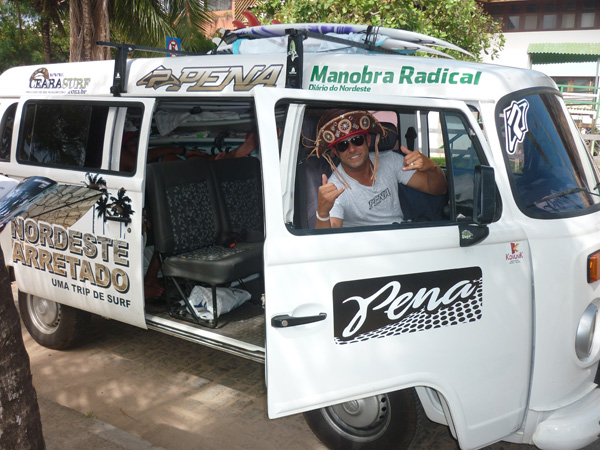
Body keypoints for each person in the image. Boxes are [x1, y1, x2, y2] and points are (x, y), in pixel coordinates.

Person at [313, 109, 447, 229]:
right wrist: (323, 213)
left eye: (357, 140)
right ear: (336, 152)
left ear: (368, 140)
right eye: (343, 146)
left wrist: (432, 168)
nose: (352, 149)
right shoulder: (336, 188)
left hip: (402, 235)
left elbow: (437, 189)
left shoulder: (390, 161)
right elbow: (329, 236)